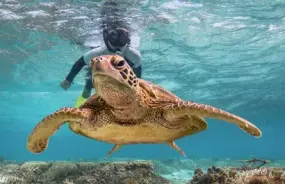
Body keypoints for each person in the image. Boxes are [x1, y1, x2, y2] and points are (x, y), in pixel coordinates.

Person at [60, 26, 142, 107]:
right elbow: (80, 62)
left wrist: (137, 87)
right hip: (98, 70)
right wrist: (68, 79)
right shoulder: (98, 52)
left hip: (120, 75)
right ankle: (80, 107)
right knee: (88, 87)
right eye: (113, 48)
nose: (116, 50)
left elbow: (137, 71)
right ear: (107, 42)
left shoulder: (133, 55)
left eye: (120, 47)